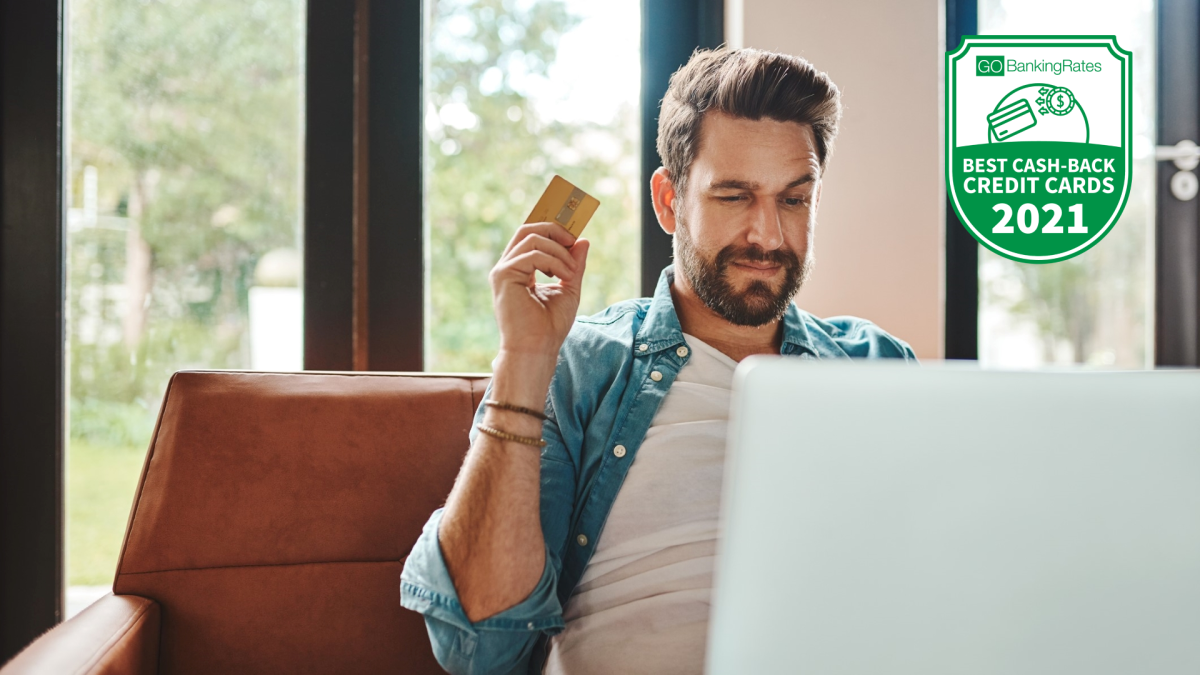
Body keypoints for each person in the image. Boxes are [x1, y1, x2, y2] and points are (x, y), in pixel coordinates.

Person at [401, 47, 916, 675]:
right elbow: (481, 647)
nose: (769, 236)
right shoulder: (585, 366)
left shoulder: (877, 366)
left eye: (793, 200)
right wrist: (524, 356)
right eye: (734, 196)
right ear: (669, 201)